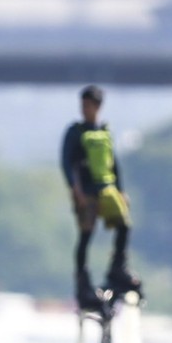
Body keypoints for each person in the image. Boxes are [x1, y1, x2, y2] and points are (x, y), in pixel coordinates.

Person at [61, 84, 140, 311]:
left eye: (88, 105)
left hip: (106, 189)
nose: (84, 110)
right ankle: (82, 281)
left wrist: (121, 190)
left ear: (97, 107)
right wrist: (75, 189)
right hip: (86, 191)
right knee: (86, 234)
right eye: (82, 106)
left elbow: (113, 164)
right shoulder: (76, 132)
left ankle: (118, 267)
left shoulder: (104, 131)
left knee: (124, 225)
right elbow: (68, 162)